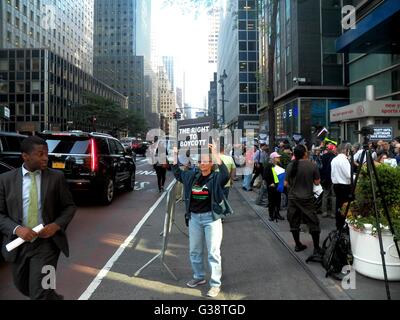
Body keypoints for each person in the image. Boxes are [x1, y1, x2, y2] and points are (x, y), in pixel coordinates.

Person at [0, 136, 76, 300]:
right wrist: (17, 229)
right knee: (23, 285)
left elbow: (69, 207)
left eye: (46, 153)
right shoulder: (5, 180)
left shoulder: (56, 178)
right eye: (40, 154)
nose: (45, 158)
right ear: (25, 156)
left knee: (40, 292)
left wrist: (55, 225)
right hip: (18, 244)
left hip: (46, 245)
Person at [172, 144, 229, 298]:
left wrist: (216, 153)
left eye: (206, 161)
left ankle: (215, 284)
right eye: (200, 161)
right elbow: (177, 173)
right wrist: (175, 155)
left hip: (211, 219)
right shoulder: (191, 176)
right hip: (194, 218)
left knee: (213, 253)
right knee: (195, 251)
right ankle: (199, 277)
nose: (202, 163)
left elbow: (226, 174)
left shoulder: (216, 177)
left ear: (211, 163)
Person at [285, 145, 323, 261]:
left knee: (294, 221)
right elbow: (317, 183)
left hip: (293, 198)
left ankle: (298, 244)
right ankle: (316, 248)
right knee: (313, 222)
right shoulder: (312, 165)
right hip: (307, 198)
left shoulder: (290, 165)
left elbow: (286, 184)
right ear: (305, 154)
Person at [331, 143, 352, 230]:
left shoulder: (334, 159)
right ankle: (344, 225)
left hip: (336, 185)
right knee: (345, 206)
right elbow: (349, 175)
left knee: (339, 206)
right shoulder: (344, 160)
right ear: (345, 150)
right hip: (344, 186)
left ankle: (339, 225)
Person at [263, 152, 285, 222]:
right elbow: (265, 176)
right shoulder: (269, 166)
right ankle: (271, 215)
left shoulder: (280, 165)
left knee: (278, 200)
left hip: (278, 185)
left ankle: (277, 213)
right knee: (271, 201)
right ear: (273, 158)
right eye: (277, 157)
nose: (278, 158)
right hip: (271, 186)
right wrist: (270, 183)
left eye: (278, 157)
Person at [320, 144, 337, 218]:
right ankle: (333, 213)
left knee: (325, 195)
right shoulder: (335, 157)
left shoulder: (323, 156)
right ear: (332, 149)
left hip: (325, 178)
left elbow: (321, 167)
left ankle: (324, 212)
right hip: (333, 178)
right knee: (334, 196)